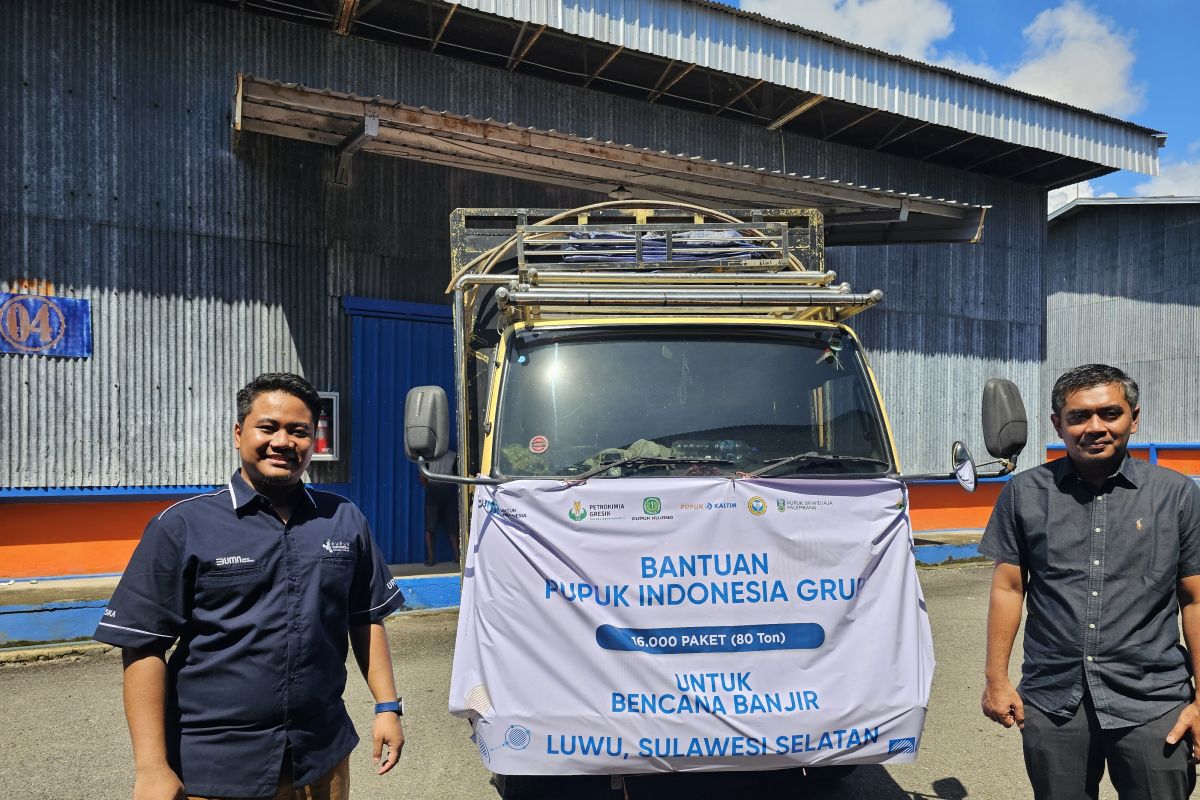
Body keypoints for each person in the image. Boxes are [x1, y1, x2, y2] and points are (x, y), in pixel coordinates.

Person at [94, 373, 406, 799]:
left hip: (321, 757)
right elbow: (143, 645)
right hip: (216, 766)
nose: (283, 441)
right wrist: (151, 767)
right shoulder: (183, 526)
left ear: (313, 440)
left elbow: (365, 616)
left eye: (299, 431)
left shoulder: (343, 519)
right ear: (239, 432)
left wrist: (387, 706)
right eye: (268, 427)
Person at [980, 363, 1200, 800]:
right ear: (1057, 424)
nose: (1095, 427)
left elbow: (1194, 599)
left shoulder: (1177, 495)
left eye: (1110, 414)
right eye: (1079, 416)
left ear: (1133, 418)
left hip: (1152, 699)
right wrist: (995, 679)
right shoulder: (1024, 493)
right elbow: (1009, 588)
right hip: (1053, 698)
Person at [419, 448, 460, 567]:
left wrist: (429, 489)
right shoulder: (453, 456)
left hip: (434, 490)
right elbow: (458, 475)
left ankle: (431, 558)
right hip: (447, 490)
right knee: (451, 526)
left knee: (431, 526)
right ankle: (456, 555)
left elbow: (422, 476)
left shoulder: (428, 456)